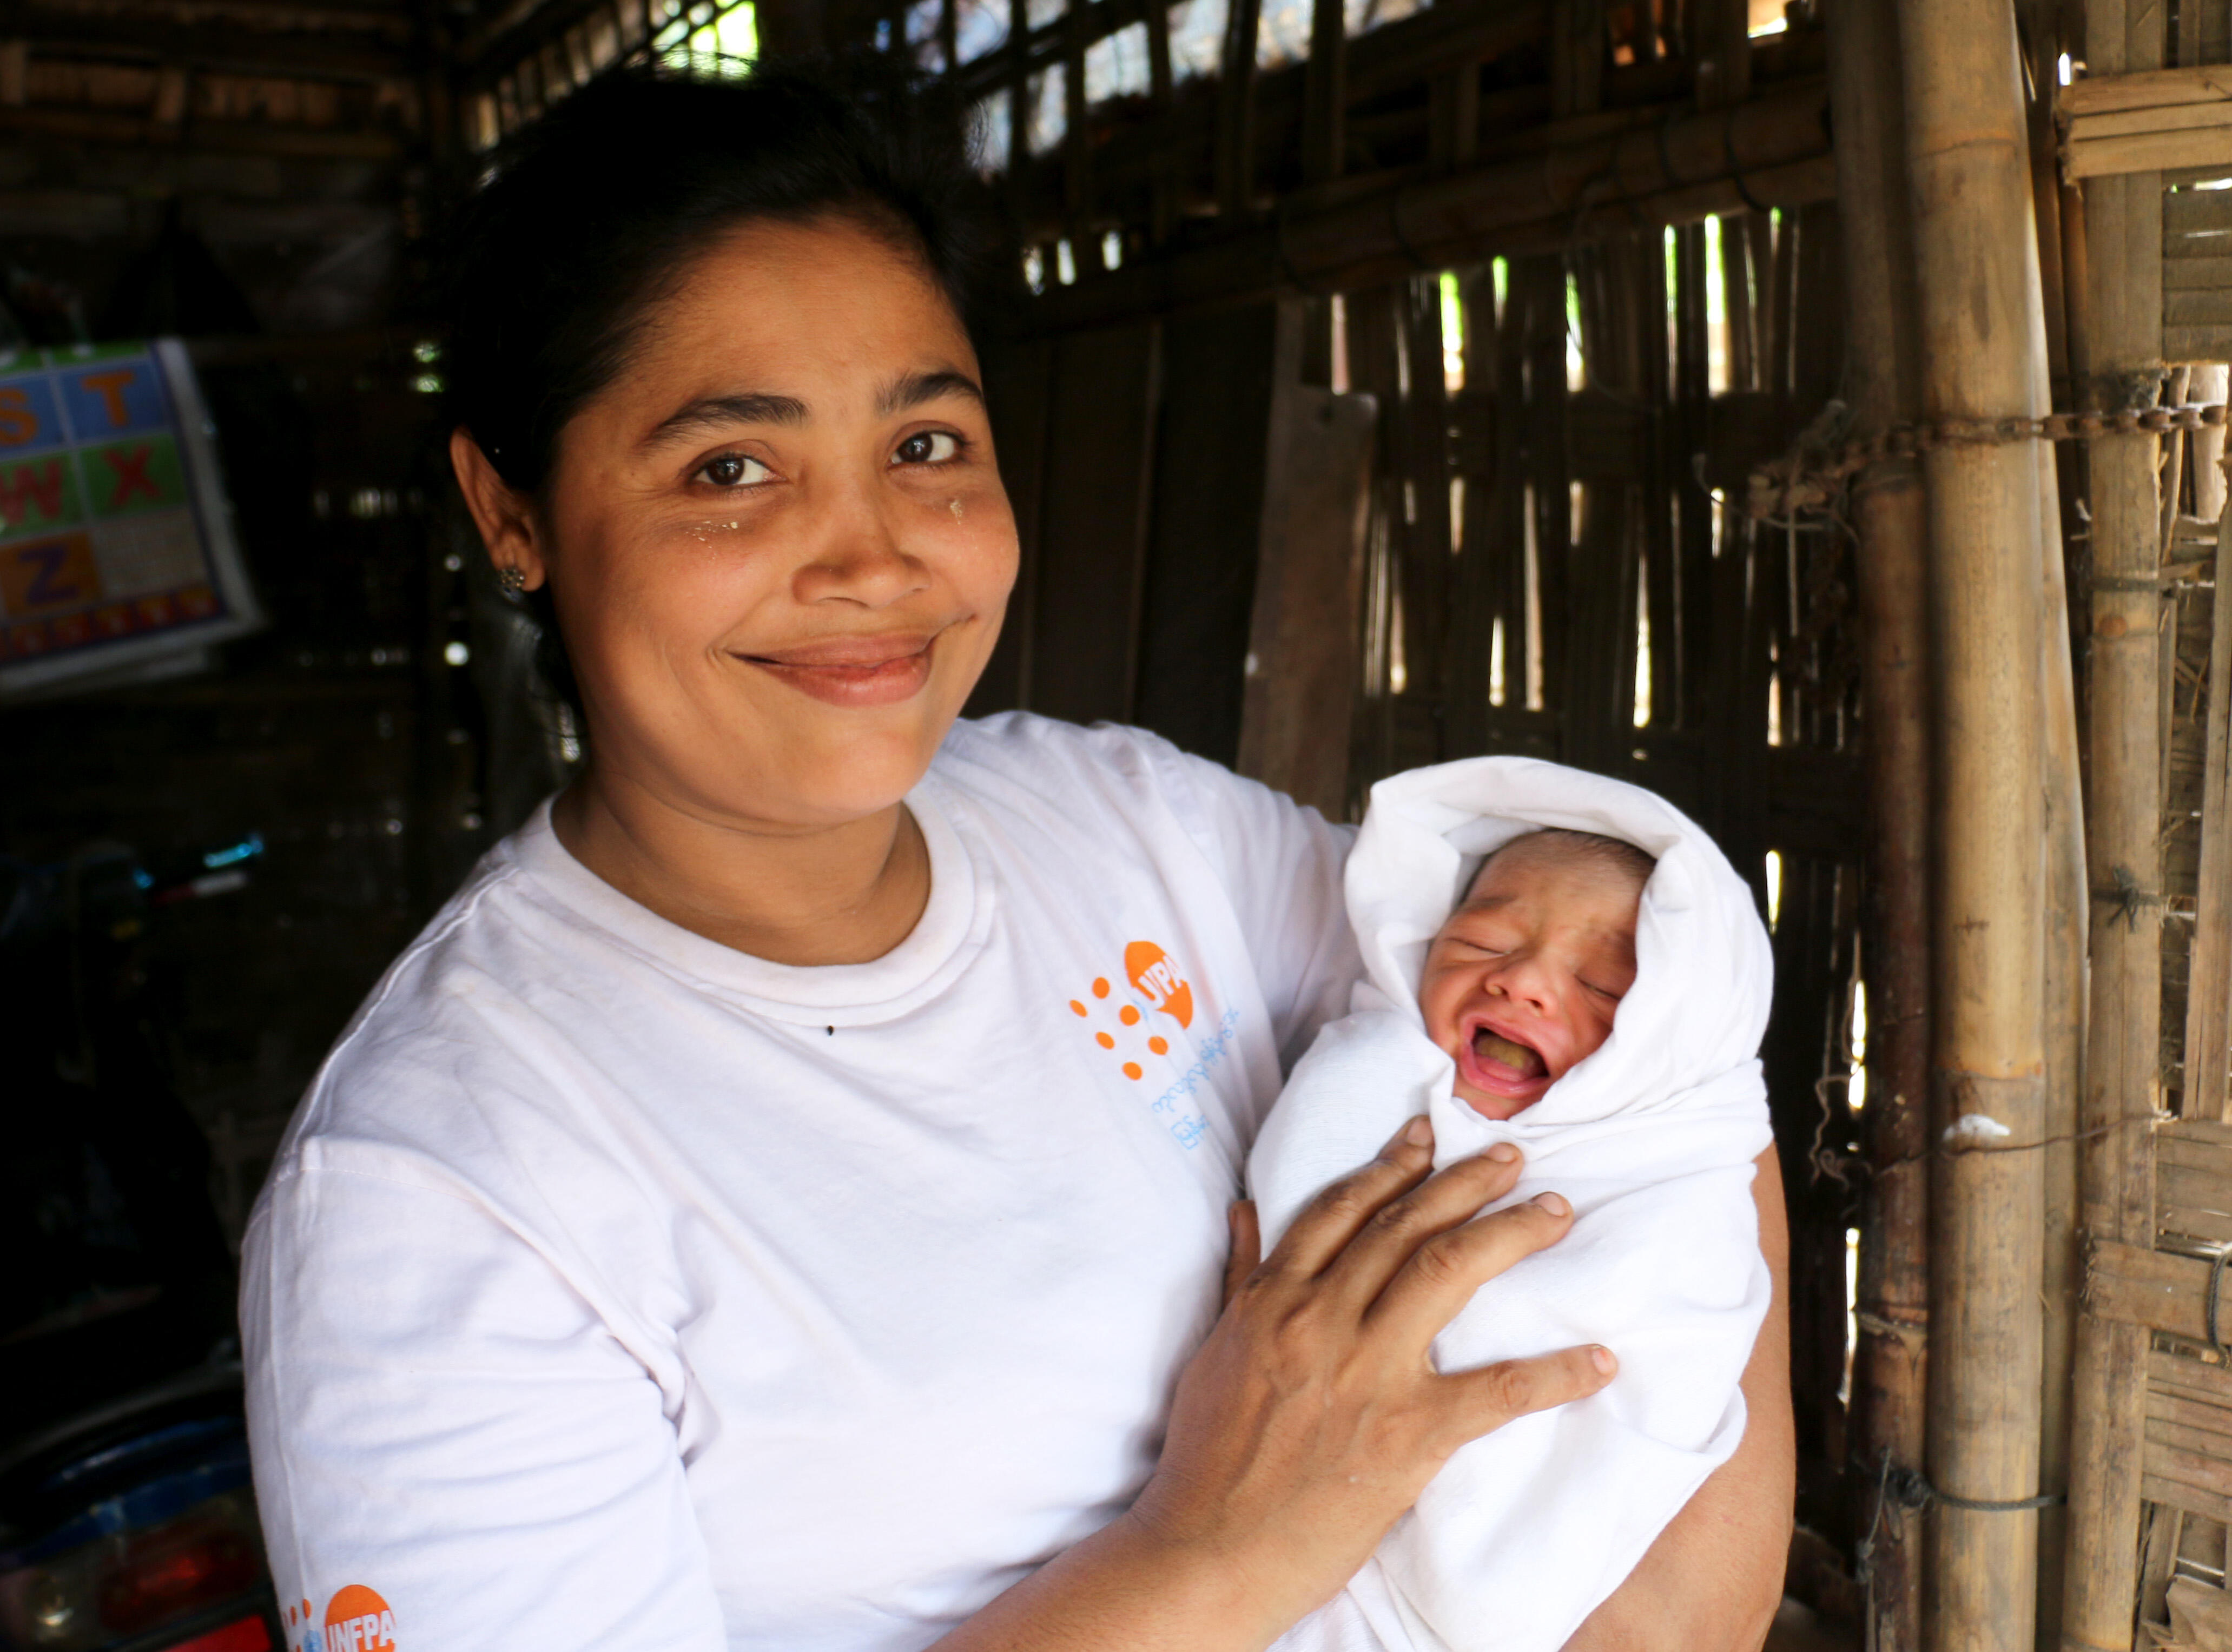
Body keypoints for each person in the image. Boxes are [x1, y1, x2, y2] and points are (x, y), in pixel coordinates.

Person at [239, 60, 1793, 1652]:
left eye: (923, 443)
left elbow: (1660, 1084)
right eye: (729, 467)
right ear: (511, 510)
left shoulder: (1133, 833)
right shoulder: (443, 1194)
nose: (873, 556)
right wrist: (1217, 1547)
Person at [1251, 758, 1779, 1651]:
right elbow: (1282, 1238)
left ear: (1672, 1042)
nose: (1524, 982)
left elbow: (1658, 1342)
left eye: (1605, 988)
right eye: (1483, 944)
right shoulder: (1372, 1076)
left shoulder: (1668, 1182)